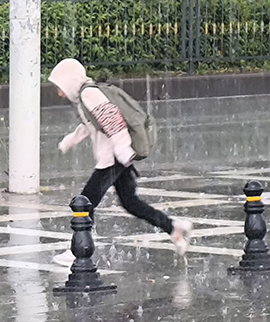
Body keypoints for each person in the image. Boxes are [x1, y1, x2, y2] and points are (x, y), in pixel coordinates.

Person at [48, 58, 192, 266]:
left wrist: (124, 152)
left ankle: (78, 250)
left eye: (60, 87)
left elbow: (113, 121)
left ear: (70, 81)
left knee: (84, 203)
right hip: (116, 158)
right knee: (130, 202)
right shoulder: (85, 96)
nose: (60, 93)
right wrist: (70, 141)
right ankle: (174, 228)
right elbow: (91, 125)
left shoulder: (89, 94)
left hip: (113, 159)